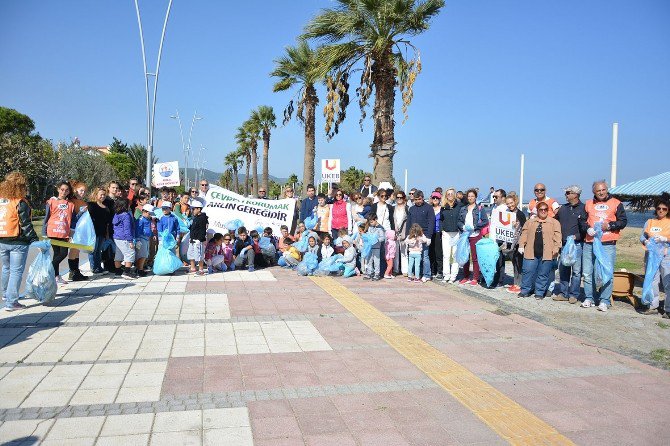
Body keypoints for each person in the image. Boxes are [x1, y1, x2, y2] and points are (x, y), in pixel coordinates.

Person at [581, 180, 627, 312]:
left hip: (608, 243)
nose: (601, 193)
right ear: (593, 192)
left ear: (607, 190)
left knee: (606, 272)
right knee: (588, 272)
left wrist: (611, 225)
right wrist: (587, 229)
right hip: (590, 243)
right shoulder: (588, 204)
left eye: (603, 190)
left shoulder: (617, 203)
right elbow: (582, 221)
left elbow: (623, 221)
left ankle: (604, 300)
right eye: (598, 191)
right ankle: (589, 297)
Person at [0, 172, 39, 311]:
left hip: (2, 239)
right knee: (16, 272)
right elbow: (26, 224)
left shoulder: (2, 200)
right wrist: (34, 239)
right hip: (17, 241)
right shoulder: (19, 202)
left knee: (6, 268)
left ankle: (5, 295)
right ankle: (11, 302)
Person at [517, 202, 562, 298]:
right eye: (541, 209)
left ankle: (539, 292)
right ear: (537, 211)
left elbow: (558, 237)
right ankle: (525, 290)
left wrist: (556, 249)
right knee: (527, 272)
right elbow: (524, 234)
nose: (543, 211)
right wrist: (521, 245)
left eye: (545, 209)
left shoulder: (554, 223)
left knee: (543, 274)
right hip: (530, 252)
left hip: (547, 253)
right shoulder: (529, 222)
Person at [552, 185, 587, 303]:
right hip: (564, 244)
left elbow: (585, 228)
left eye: (568, 193)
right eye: (566, 193)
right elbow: (554, 222)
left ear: (575, 194)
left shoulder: (584, 208)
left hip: (577, 245)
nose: (566, 195)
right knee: (564, 269)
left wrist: (576, 236)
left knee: (576, 272)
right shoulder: (563, 209)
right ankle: (563, 293)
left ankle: (574, 294)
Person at [638, 195, 670, 317]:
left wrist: (665, 238)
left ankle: (668, 309)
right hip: (651, 256)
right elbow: (642, 236)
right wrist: (645, 241)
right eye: (659, 208)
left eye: (664, 208)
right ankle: (652, 306)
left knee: (667, 283)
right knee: (652, 281)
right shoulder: (650, 222)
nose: (661, 210)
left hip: (666, 256)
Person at [43, 181, 77, 285]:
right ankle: (55, 275)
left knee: (62, 254)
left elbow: (73, 220)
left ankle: (53, 273)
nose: (64, 192)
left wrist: (72, 233)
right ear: (58, 189)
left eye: (67, 190)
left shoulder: (70, 204)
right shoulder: (51, 201)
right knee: (59, 254)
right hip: (53, 232)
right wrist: (44, 232)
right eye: (62, 189)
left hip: (64, 233)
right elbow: (46, 217)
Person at [457, 189, 489, 286]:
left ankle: (475, 277)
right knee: (465, 256)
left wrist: (475, 227)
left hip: (475, 235)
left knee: (475, 257)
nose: (470, 197)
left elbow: (485, 221)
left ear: (475, 197)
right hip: (465, 235)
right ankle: (466, 276)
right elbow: (459, 221)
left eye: (472, 196)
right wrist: (462, 227)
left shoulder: (480, 209)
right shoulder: (463, 208)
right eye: (469, 196)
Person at [407, 190, 433, 282]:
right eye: (416, 199)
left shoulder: (429, 208)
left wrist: (429, 236)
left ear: (422, 198)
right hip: (413, 236)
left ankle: (427, 274)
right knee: (415, 256)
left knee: (425, 256)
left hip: (424, 235)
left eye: (419, 199)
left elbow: (431, 222)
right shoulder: (411, 209)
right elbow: (409, 223)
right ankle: (417, 273)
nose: (418, 201)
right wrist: (408, 235)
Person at [502, 193, 526, 294]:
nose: (510, 205)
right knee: (514, 264)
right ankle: (516, 283)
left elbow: (525, 228)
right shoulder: (507, 213)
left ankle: (519, 284)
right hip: (510, 242)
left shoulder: (520, 214)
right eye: (508, 203)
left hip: (518, 243)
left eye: (511, 203)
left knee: (519, 264)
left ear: (515, 202)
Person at [87, 187, 113, 274]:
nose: (103, 196)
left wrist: (106, 232)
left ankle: (98, 267)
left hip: (102, 232)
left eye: (104, 195)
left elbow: (107, 222)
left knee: (98, 250)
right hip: (93, 231)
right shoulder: (91, 205)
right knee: (93, 250)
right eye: (101, 194)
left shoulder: (105, 207)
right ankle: (94, 267)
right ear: (96, 194)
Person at [67, 181, 89, 282]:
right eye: (81, 190)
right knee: (74, 250)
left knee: (77, 251)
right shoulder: (72, 202)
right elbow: (71, 217)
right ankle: (72, 272)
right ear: (75, 190)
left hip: (80, 229)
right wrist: (81, 212)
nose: (82, 193)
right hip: (73, 229)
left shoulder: (83, 202)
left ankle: (76, 271)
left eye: (84, 191)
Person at [439, 188, 463, 283]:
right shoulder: (443, 207)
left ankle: (453, 275)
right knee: (446, 255)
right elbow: (441, 219)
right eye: (448, 194)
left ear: (454, 195)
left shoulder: (460, 206)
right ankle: (446, 275)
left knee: (455, 255)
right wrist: (442, 229)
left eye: (451, 194)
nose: (450, 195)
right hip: (446, 233)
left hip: (457, 233)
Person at [112, 198, 137, 279]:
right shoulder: (126, 215)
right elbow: (127, 229)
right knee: (130, 253)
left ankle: (118, 271)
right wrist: (130, 241)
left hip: (117, 237)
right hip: (124, 238)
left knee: (118, 254)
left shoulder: (116, 214)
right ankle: (127, 272)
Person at [363, 213, 386, 281]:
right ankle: (369, 272)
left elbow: (383, 238)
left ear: (376, 220)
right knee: (369, 260)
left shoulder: (380, 228)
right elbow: (369, 235)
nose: (371, 223)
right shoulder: (370, 228)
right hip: (370, 247)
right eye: (370, 222)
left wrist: (377, 240)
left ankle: (377, 273)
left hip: (377, 247)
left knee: (376, 261)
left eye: (372, 222)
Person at [188, 201, 208, 275]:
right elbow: (194, 228)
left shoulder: (202, 218)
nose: (192, 210)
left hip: (198, 240)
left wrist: (200, 239)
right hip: (192, 239)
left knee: (199, 255)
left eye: (193, 209)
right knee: (191, 254)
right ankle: (193, 268)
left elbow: (203, 230)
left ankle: (201, 270)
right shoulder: (196, 217)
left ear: (199, 209)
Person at [392, 190, 409, 276]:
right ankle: (395, 269)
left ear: (404, 198)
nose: (399, 199)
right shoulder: (393, 208)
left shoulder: (407, 208)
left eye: (401, 197)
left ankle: (405, 270)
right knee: (395, 252)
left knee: (404, 251)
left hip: (404, 232)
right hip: (395, 232)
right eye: (397, 197)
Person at [135, 204, 154, 277]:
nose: (150, 215)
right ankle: (139, 269)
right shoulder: (140, 220)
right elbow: (138, 230)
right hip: (141, 239)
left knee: (145, 255)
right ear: (144, 212)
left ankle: (140, 268)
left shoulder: (147, 219)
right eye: (149, 213)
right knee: (142, 255)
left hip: (146, 239)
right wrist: (138, 240)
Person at [428, 191, 443, 279]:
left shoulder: (442, 209)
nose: (435, 199)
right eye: (433, 198)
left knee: (438, 252)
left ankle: (439, 271)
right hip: (430, 232)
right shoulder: (429, 209)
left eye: (437, 198)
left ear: (439, 199)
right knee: (431, 252)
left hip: (438, 232)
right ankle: (432, 270)